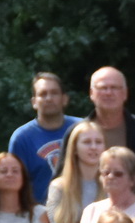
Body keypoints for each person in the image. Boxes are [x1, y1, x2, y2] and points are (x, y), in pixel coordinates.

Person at [7, 72, 80, 202]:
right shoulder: (22, 138)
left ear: (65, 99)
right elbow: (14, 184)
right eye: (43, 94)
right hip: (39, 214)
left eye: (54, 93)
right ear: (34, 102)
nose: (49, 98)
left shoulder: (82, 129)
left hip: (83, 208)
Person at [43, 121, 103, 223]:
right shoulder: (58, 187)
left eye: (98, 142)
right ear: (74, 148)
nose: (94, 147)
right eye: (87, 142)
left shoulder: (111, 186)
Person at [85, 66, 135, 163]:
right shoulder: (77, 132)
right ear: (92, 93)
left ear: (125, 93)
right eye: (103, 87)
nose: (108, 93)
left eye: (114, 88)